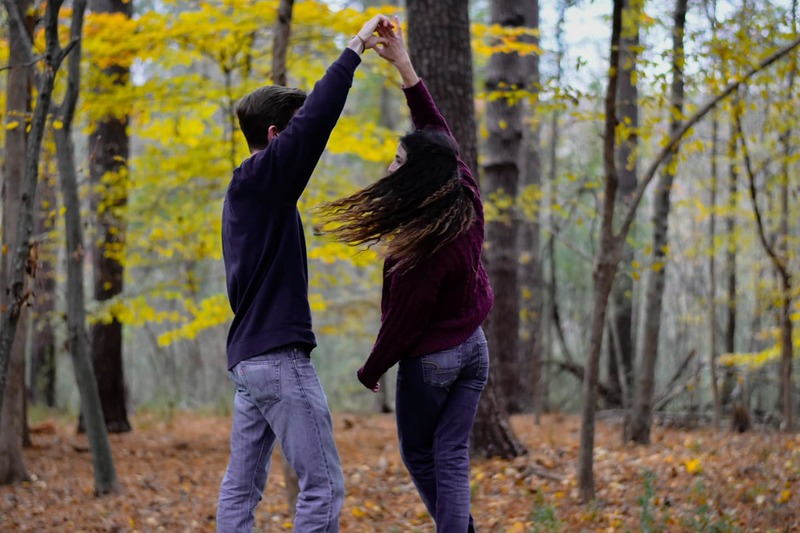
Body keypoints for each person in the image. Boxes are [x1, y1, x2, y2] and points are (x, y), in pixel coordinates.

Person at [217, 14, 392, 533]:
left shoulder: (247, 192)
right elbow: (317, 119)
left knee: (241, 488)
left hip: (249, 364)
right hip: (277, 360)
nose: (301, 145)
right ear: (275, 135)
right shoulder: (263, 178)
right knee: (324, 485)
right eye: (290, 134)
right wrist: (356, 47)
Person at [319, 17, 493, 533]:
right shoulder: (463, 194)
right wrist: (403, 65)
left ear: (417, 175)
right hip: (474, 350)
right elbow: (434, 130)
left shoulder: (420, 248)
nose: (391, 167)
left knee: (422, 455)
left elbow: (404, 322)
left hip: (433, 361)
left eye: (398, 163)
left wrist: (371, 370)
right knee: (453, 456)